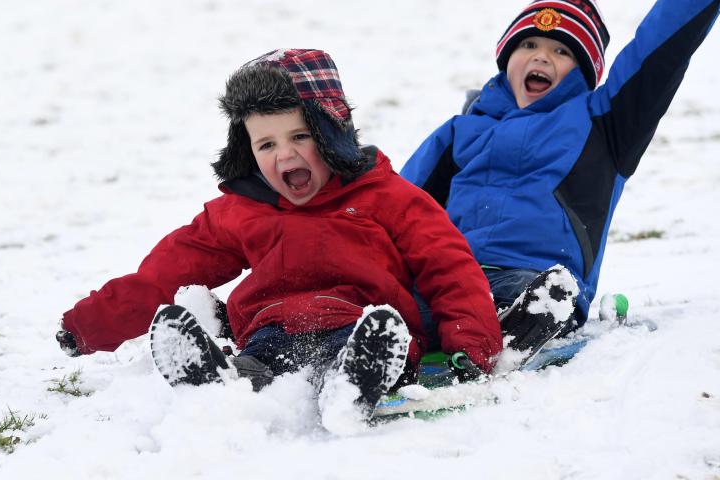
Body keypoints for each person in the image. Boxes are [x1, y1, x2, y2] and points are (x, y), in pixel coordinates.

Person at [56, 49, 502, 427]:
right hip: (269, 327)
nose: (284, 154)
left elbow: (448, 264)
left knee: (359, 345)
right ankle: (221, 383)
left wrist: (472, 345)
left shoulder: (385, 196)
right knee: (258, 358)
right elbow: (168, 271)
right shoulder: (243, 209)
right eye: (265, 145)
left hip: (358, 323)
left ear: (332, 134)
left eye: (300, 136)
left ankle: (356, 380)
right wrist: (90, 325)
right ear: (246, 151)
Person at [401, 0, 720, 364]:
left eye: (562, 51)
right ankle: (384, 354)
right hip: (451, 274)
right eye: (528, 46)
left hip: (535, 278)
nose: (541, 56)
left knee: (535, 295)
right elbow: (395, 206)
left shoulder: (603, 124)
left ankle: (514, 333)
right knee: (407, 303)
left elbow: (657, 51)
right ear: (506, 60)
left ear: (582, 73)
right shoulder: (460, 133)